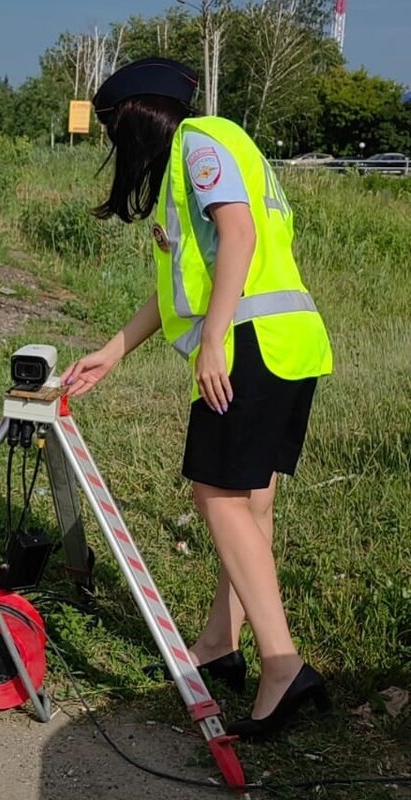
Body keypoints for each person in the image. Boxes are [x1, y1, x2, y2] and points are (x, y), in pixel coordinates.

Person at [60, 57, 334, 740]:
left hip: (248, 343)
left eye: (115, 131)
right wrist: (113, 351)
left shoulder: (198, 143)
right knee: (248, 499)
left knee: (215, 494)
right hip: (288, 340)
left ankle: (282, 665)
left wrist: (214, 341)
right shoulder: (214, 149)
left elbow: (237, 237)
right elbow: (182, 284)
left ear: (136, 118)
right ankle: (221, 642)